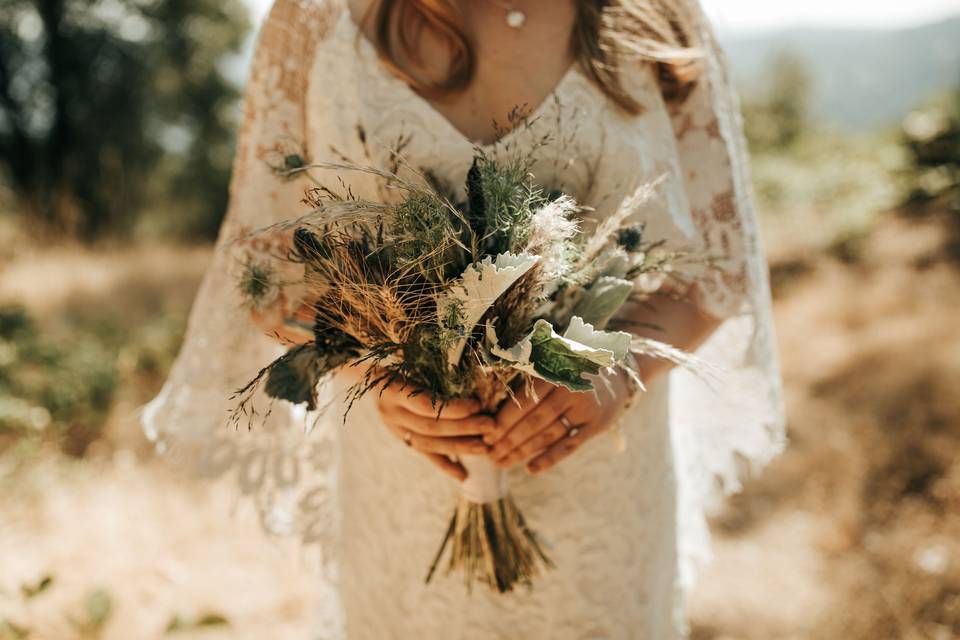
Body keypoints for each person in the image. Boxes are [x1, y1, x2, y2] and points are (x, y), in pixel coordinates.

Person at [142, 0, 785, 637]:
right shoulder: (313, 17)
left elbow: (717, 269)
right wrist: (374, 367)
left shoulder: (657, 12)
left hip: (601, 487)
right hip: (404, 480)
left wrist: (618, 369)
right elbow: (265, 265)